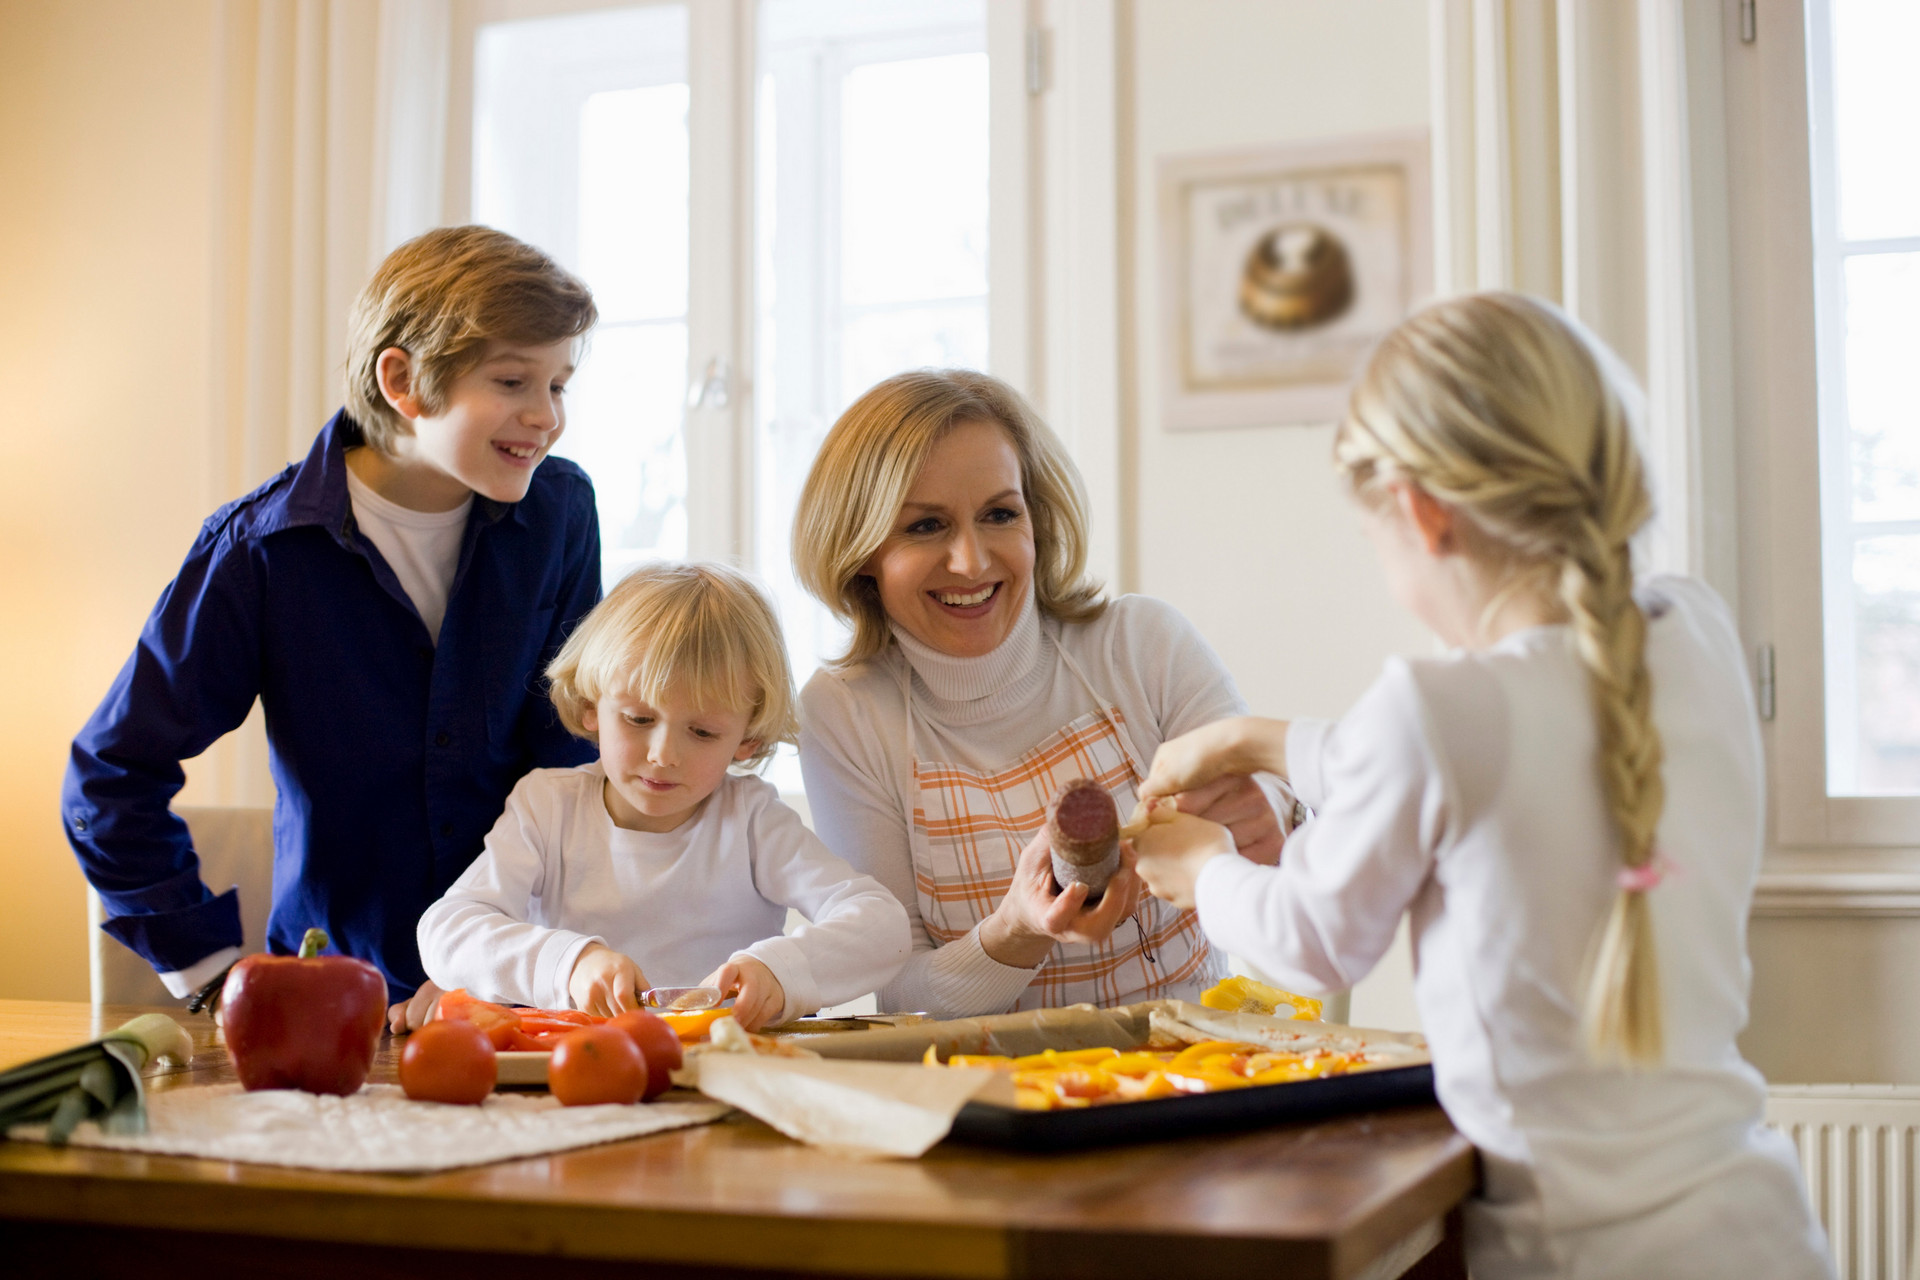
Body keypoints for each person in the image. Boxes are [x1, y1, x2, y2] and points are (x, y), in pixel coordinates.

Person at [1129, 293, 1832, 1279]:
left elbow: (1311, 942)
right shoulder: (1695, 631)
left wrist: (1201, 868)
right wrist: (1260, 739)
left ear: (1422, 513)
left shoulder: (1435, 707)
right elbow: (1474, 766)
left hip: (1578, 1250)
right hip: (1759, 1222)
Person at [64, 225, 603, 1032]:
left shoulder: (561, 512)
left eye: (559, 385)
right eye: (514, 380)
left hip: (524, 1000)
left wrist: (519, 964)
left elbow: (569, 764)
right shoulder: (260, 550)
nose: (546, 416)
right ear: (403, 379)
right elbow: (111, 774)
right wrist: (213, 973)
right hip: (331, 1010)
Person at [792, 369, 1293, 1020]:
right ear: (861, 550)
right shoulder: (845, 714)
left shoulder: (1143, 645)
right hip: (995, 1102)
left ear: (1037, 519)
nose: (971, 562)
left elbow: (1282, 848)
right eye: (925, 527)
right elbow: (902, 999)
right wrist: (1016, 931)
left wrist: (1277, 819)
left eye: (1000, 514)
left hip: (1196, 1076)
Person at [417, 562, 910, 1031]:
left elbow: (882, 925)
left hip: (731, 1067)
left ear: (747, 740)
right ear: (592, 706)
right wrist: (570, 964)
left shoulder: (751, 819)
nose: (663, 755)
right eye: (638, 719)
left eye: (701, 731)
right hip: (585, 1071)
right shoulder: (547, 806)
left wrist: (779, 970)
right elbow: (446, 929)